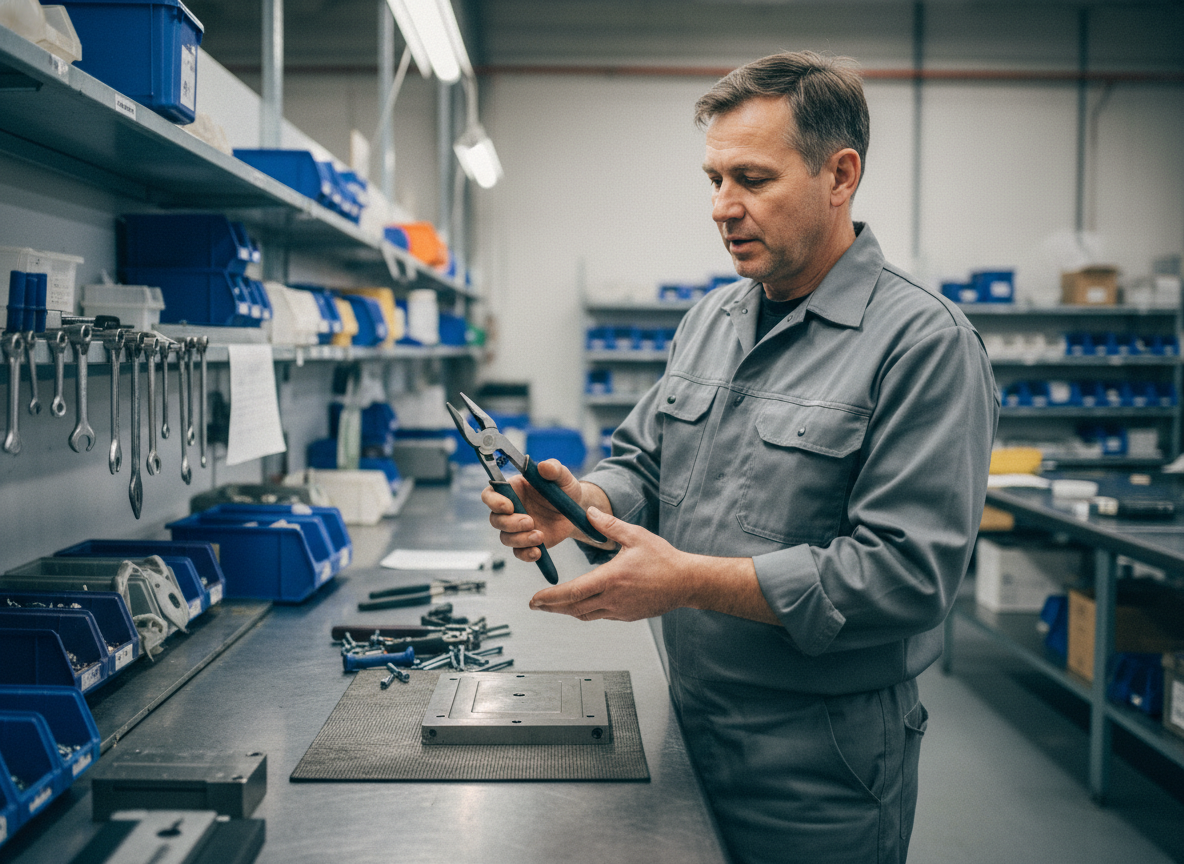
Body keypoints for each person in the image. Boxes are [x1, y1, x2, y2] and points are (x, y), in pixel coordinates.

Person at [482, 51, 998, 864]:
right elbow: (644, 466)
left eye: (753, 179)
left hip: (817, 762)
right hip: (681, 717)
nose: (724, 207)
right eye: (714, 180)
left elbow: (906, 576)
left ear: (841, 174)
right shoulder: (713, 319)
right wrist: (586, 503)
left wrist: (689, 579)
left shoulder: (925, 345)